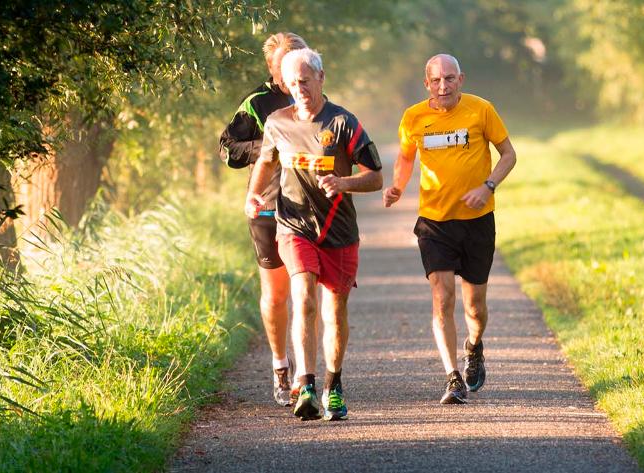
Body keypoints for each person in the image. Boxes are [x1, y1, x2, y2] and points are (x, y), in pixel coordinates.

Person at [245, 48, 383, 421]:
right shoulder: (276, 122)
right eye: (293, 83)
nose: (300, 88)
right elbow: (266, 160)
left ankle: (333, 385)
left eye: (306, 80)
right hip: (294, 225)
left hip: (338, 231)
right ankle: (305, 384)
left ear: (322, 78)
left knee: (334, 312)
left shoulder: (344, 124)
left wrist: (343, 182)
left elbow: (375, 177)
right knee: (303, 295)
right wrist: (253, 195)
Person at [383, 54, 517, 404]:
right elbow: (406, 158)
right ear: (427, 84)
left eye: (450, 78)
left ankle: (474, 346)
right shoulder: (413, 117)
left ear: (461, 79)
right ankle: (452, 376)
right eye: (437, 80)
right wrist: (397, 187)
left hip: (477, 221)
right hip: (434, 222)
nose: (444, 86)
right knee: (443, 297)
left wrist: (487, 186)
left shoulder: (480, 110)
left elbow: (508, 155)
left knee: (475, 308)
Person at [219, 32, 308, 407]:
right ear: (273, 67)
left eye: (300, 62)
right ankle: (279, 365)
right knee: (276, 295)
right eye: (286, 64)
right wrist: (270, 147)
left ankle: (307, 375)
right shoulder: (257, 103)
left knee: (305, 292)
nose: (294, 72)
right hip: (269, 206)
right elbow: (228, 149)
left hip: (307, 207)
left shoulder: (312, 97)